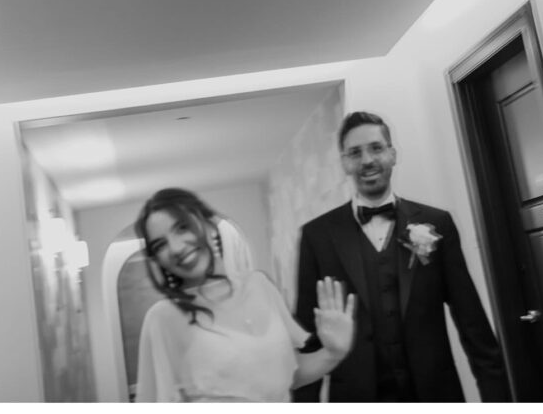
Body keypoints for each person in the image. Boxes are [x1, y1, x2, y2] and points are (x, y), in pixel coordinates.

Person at [294, 111, 510, 402]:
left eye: (376, 148)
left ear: (393, 154)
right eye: (355, 153)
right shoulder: (317, 236)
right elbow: (308, 335)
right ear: (345, 163)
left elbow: (472, 321)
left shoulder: (438, 223)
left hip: (435, 393)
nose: (367, 160)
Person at [133, 187, 356, 402]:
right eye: (160, 245)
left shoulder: (260, 286)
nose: (176, 247)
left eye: (182, 227)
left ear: (209, 224)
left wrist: (333, 352)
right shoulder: (164, 318)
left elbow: (289, 375)